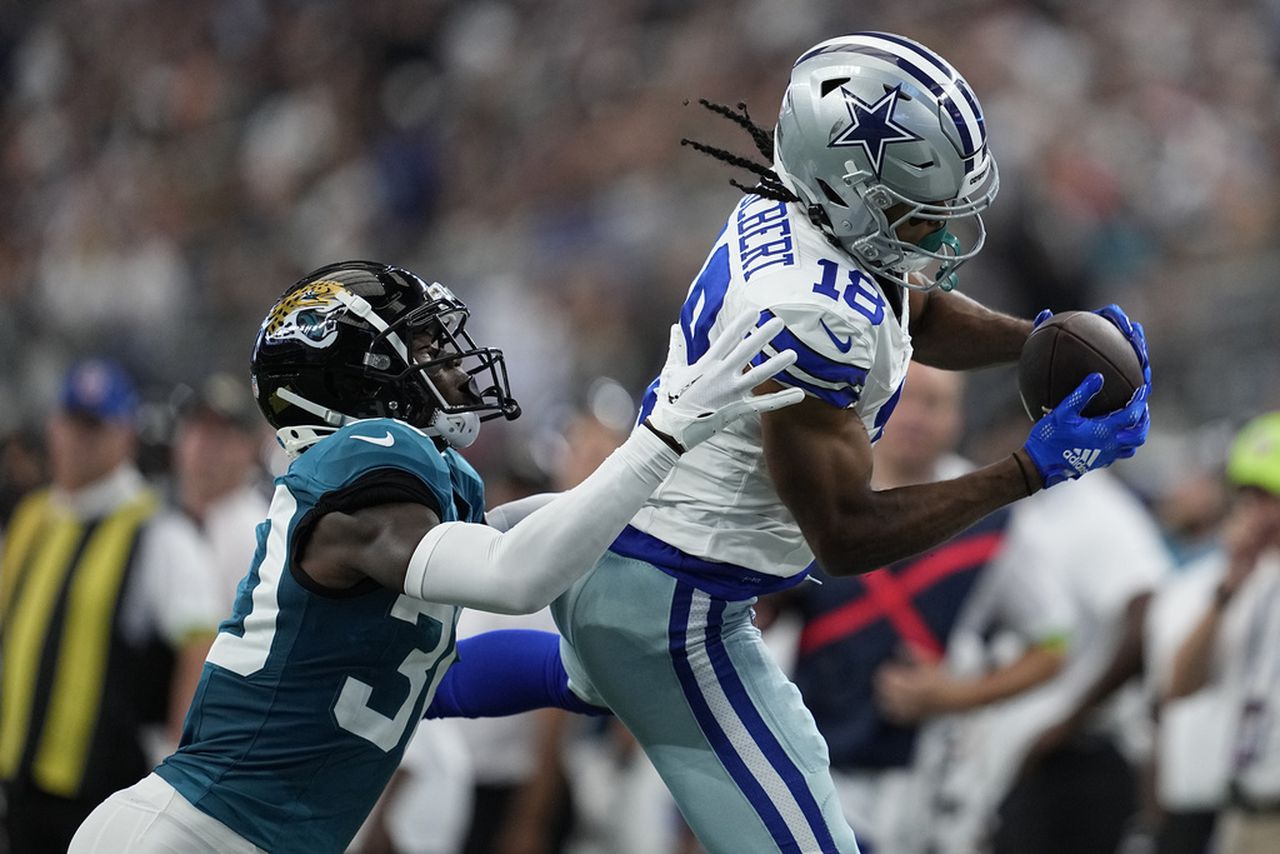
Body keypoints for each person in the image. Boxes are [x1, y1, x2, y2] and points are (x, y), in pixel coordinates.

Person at [547, 32, 1152, 852]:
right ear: (851, 188)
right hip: (677, 606)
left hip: (637, 559)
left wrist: (1043, 340)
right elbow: (843, 533)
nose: (943, 236)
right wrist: (1026, 470)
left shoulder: (793, 206)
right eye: (917, 209)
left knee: (560, 675)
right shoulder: (814, 321)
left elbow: (916, 308)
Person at [68, 260, 802, 853]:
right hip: (189, 833)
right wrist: (663, 437)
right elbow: (516, 572)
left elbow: (429, 678)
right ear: (357, 382)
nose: (452, 361)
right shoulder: (363, 462)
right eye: (422, 347)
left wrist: (579, 676)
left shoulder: (402, 500)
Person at [774, 364, 1071, 854]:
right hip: (810, 766)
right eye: (905, 397)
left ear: (956, 417)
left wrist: (956, 694)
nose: (915, 416)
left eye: (934, 403)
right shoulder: (815, 492)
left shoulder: (990, 517)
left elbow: (1056, 642)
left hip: (925, 789)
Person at [0, 359, 221, 854]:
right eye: (70, 423)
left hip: (105, 787)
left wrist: (177, 766)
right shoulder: (34, 516)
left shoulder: (158, 529)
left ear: (123, 437)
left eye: (93, 429)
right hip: (19, 773)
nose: (76, 440)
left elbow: (198, 646)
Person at [1164, 413, 1280, 854]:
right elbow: (1181, 684)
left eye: (1268, 497)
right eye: (1247, 497)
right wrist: (1229, 588)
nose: (1256, 514)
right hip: (1239, 811)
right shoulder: (1242, 584)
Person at [171, 372, 271, 614]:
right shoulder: (161, 515)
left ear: (249, 447)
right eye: (197, 428)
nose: (204, 445)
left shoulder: (255, 533)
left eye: (220, 434)